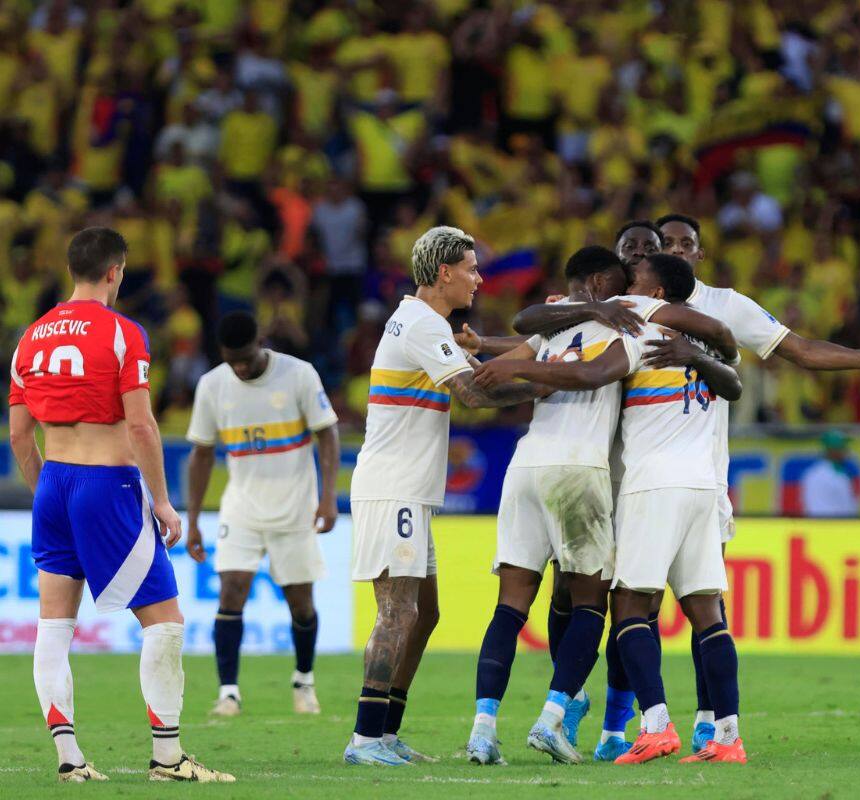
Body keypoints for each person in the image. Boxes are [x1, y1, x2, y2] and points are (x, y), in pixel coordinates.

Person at [652, 212, 860, 752]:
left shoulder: (725, 305)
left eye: (687, 243)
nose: (678, 249)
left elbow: (798, 349)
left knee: (701, 603)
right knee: (633, 604)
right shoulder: (629, 306)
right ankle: (623, 726)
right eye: (668, 242)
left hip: (702, 477)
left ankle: (708, 719)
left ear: (700, 255)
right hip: (639, 474)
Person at [459, 247, 736, 766]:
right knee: (594, 604)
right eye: (620, 281)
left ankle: (483, 729)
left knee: (510, 607)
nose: (626, 289)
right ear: (600, 284)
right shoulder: (625, 323)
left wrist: (505, 365)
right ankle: (553, 719)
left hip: (525, 467)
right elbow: (590, 373)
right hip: (581, 470)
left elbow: (523, 331)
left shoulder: (553, 327)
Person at [7, 227, 233, 783]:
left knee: (53, 626)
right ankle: (168, 758)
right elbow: (141, 425)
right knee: (165, 623)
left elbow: (18, 436)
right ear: (115, 272)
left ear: (71, 269)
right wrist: (164, 501)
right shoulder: (122, 332)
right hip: (107, 486)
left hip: (54, 484)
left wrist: (48, 498)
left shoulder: (30, 337)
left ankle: (70, 760)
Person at [344, 226, 549, 767]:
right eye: (472, 269)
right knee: (398, 611)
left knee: (424, 613)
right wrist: (553, 383)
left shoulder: (422, 323)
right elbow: (473, 394)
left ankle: (386, 732)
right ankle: (365, 738)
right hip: (393, 488)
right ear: (444, 273)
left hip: (408, 488)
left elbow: (476, 375)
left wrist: (536, 367)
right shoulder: (422, 323)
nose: (479, 279)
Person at [184, 311, 340, 717]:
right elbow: (201, 454)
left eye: (245, 359)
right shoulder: (212, 385)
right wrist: (193, 520)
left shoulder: (299, 374)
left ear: (260, 343)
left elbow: (327, 434)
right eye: (231, 360)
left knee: (300, 602)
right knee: (231, 590)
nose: (239, 367)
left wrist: (328, 498)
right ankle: (228, 693)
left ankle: (304, 681)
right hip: (242, 506)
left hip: (295, 506)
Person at [800, 430, 860, 517]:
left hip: (840, 522)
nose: (846, 451)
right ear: (832, 451)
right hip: (828, 522)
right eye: (842, 448)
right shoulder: (818, 475)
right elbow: (816, 508)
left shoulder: (838, 472)